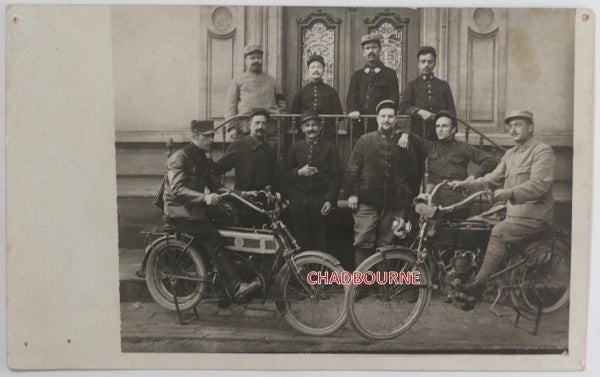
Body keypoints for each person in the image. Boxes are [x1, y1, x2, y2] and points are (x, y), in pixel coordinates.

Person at [448, 110, 556, 299]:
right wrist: (466, 183)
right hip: (510, 212)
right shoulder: (510, 154)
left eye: (518, 125)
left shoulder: (542, 151)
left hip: (534, 214)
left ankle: (479, 285)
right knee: (470, 224)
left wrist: (509, 193)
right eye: (510, 126)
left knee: (499, 232)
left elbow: (540, 185)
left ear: (530, 127)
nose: (512, 129)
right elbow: (491, 178)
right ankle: (465, 275)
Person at [163, 120, 260, 299]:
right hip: (181, 212)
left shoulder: (203, 158)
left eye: (212, 136)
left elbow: (216, 186)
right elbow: (177, 189)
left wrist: (243, 194)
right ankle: (235, 287)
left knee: (232, 221)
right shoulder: (179, 157)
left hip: (196, 209)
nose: (211, 140)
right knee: (213, 238)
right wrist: (204, 197)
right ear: (195, 137)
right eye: (207, 136)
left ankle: (225, 286)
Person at [345, 100, 416, 267]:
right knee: (363, 241)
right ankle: (361, 286)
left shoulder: (403, 143)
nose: (387, 120)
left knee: (387, 245)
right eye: (383, 116)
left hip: (395, 203)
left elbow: (413, 171)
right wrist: (353, 194)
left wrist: (407, 194)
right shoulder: (365, 140)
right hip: (366, 201)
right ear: (377, 119)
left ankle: (384, 289)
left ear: (396, 119)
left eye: (390, 116)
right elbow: (352, 169)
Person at [398, 111, 497, 219]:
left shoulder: (464, 148)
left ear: (453, 129)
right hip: (434, 200)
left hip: (456, 202)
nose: (440, 129)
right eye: (437, 126)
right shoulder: (430, 146)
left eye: (444, 126)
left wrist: (472, 178)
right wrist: (404, 134)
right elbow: (410, 134)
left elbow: (490, 161)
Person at [399, 46, 457, 196]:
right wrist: (419, 112)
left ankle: (437, 205)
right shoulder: (412, 85)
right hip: (417, 137)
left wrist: (451, 132)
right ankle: (412, 206)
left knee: (438, 172)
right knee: (415, 172)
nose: (426, 65)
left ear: (435, 63)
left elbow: (451, 111)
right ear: (418, 64)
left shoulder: (443, 85)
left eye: (429, 62)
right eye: (423, 61)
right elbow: (403, 107)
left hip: (439, 137)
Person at [284, 110, 342, 252]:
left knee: (322, 240)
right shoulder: (295, 147)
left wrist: (330, 200)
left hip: (320, 199)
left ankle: (320, 271)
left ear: (320, 127)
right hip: (298, 199)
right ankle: (302, 272)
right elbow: (284, 174)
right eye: (307, 125)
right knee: (300, 240)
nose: (311, 129)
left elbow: (337, 177)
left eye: (314, 125)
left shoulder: (330, 148)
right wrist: (298, 172)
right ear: (303, 129)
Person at [213, 108, 281, 227]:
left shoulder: (268, 149)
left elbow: (275, 176)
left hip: (264, 207)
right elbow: (218, 169)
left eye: (264, 123)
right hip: (243, 206)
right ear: (249, 125)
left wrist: (274, 194)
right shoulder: (238, 146)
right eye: (257, 123)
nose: (261, 126)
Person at [224, 44, 286, 137]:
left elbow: (281, 102)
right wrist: (231, 127)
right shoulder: (237, 80)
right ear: (246, 60)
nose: (256, 60)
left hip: (270, 129)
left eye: (259, 58)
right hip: (244, 129)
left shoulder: (272, 81)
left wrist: (280, 119)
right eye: (252, 58)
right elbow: (230, 106)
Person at [346, 34, 399, 136]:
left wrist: (384, 117)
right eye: (367, 48)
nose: (371, 51)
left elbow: (394, 99)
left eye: (374, 47)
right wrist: (353, 110)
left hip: (380, 125)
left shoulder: (389, 74)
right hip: (358, 126)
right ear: (363, 53)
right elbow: (350, 98)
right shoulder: (357, 75)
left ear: (380, 50)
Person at [290, 54, 343, 141]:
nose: (316, 70)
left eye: (319, 67)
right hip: (305, 134)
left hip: (326, 134)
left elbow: (339, 114)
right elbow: (294, 114)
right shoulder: (301, 92)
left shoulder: (331, 91)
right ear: (308, 70)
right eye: (313, 67)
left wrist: (327, 126)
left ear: (323, 70)